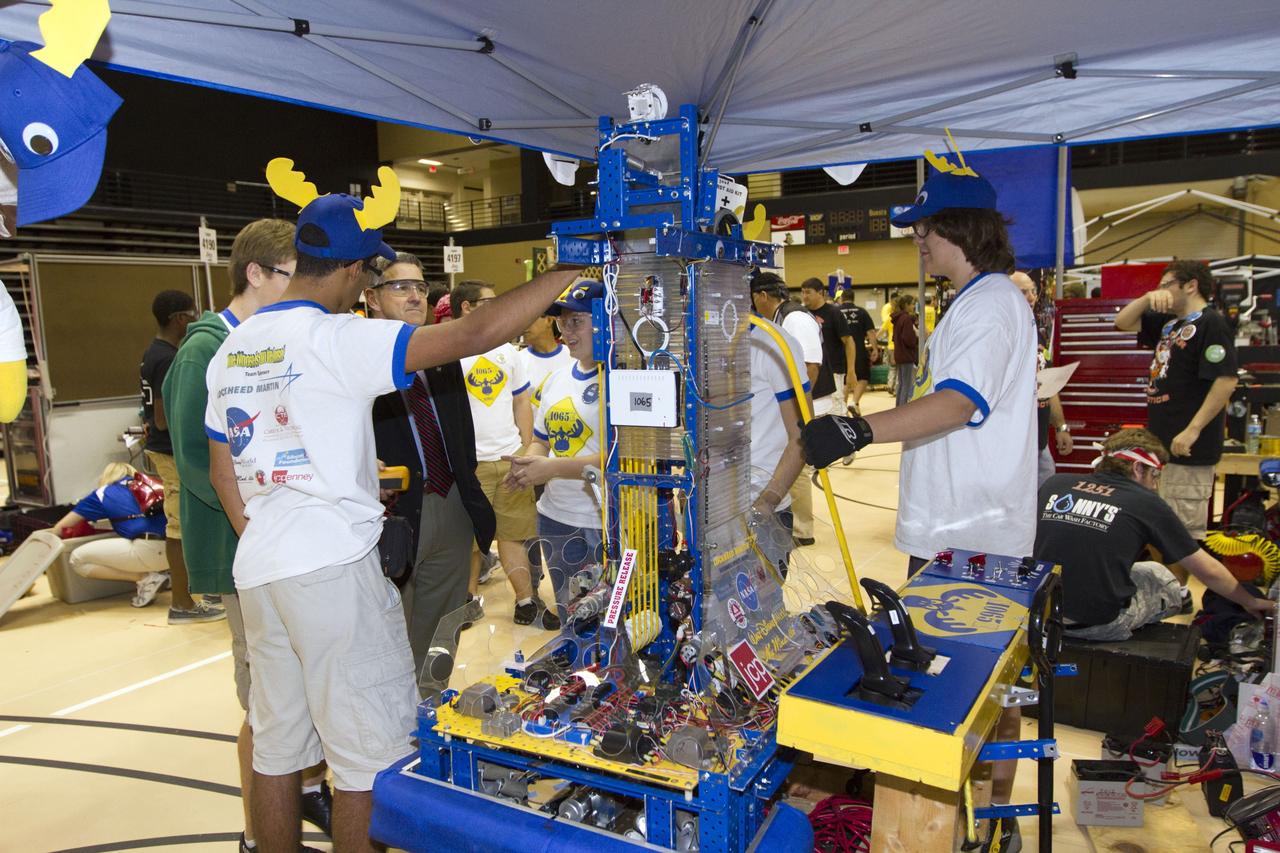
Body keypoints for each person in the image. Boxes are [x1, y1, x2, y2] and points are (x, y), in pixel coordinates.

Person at [205, 183, 579, 853]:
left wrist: (277, 530)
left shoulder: (237, 343)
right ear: (353, 270)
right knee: (369, 760)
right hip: (332, 568)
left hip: (261, 565)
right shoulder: (336, 337)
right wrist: (568, 268)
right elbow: (473, 333)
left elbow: (222, 470)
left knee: (277, 747)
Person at [798, 163, 1037, 847]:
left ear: (958, 228)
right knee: (974, 691)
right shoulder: (975, 300)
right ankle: (980, 819)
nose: (917, 241)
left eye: (923, 228)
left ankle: (982, 823)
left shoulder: (990, 304)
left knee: (972, 695)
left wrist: (859, 428)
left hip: (972, 537)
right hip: (956, 530)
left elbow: (959, 403)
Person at [163, 219, 331, 851]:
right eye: (294, 274)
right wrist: (257, 526)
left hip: (288, 548)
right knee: (265, 706)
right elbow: (195, 461)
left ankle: (302, 791)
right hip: (246, 553)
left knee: (296, 692)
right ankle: (260, 835)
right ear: (256, 274)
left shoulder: (278, 340)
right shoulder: (206, 350)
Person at [367, 254, 500, 681]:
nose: (415, 296)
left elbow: (461, 429)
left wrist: (466, 489)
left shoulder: (442, 353)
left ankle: (430, 705)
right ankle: (394, 715)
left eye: (421, 287)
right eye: (401, 287)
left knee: (443, 625)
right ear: (372, 297)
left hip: (451, 502)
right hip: (395, 511)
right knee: (391, 631)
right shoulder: (359, 358)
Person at [1035, 428, 1273, 640]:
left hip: (1038, 615)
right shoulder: (1146, 502)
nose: (1155, 486)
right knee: (1162, 577)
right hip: (1094, 625)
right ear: (1138, 468)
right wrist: (1250, 601)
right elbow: (1207, 570)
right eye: (1155, 475)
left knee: (1127, 569)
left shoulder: (1055, 483)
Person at [452, 279, 558, 628]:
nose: (498, 306)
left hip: (509, 457)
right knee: (470, 540)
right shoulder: (450, 349)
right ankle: (466, 602)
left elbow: (521, 401)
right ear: (466, 307)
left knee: (514, 534)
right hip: (472, 464)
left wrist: (526, 449)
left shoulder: (507, 351)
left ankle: (526, 600)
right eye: (489, 301)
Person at [1114, 260, 1238, 543]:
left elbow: (1226, 380)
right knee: (1160, 529)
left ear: (1191, 285)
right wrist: (1148, 297)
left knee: (1180, 535)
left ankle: (1178, 577)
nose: (1162, 291)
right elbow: (1122, 322)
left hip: (1188, 449)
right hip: (1161, 445)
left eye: (1166, 285)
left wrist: (1192, 430)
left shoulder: (1211, 323)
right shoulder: (1169, 323)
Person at [505, 281, 605, 619]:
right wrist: (528, 462)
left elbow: (619, 459)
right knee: (570, 615)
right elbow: (542, 440)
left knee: (607, 619)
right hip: (556, 517)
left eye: (577, 321)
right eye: (563, 322)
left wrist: (551, 468)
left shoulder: (620, 380)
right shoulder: (557, 380)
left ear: (603, 320)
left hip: (602, 520)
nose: (567, 332)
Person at [139, 289, 224, 624]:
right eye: (192, 313)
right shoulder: (170, 358)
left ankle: (205, 590)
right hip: (170, 450)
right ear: (178, 319)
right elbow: (163, 419)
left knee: (184, 522)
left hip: (162, 447)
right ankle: (182, 603)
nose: (195, 318)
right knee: (178, 526)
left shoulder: (153, 352)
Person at [750, 271, 824, 547]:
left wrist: (767, 501)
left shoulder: (774, 342)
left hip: (761, 505)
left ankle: (804, 530)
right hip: (709, 507)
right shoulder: (696, 346)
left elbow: (801, 435)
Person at [50, 462, 175, 608]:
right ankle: (168, 575)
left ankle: (145, 578)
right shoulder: (150, 486)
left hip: (148, 550)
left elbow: (61, 527)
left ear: (106, 477)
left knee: (77, 559)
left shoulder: (103, 493)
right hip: (176, 551)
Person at [1011, 271, 1073, 483]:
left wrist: (1061, 426)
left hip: (1039, 440)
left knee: (1046, 485)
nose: (1031, 297)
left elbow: (1047, 384)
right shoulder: (1002, 333)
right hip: (1013, 443)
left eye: (1033, 291)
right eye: (1023, 292)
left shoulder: (1037, 333)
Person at [799, 278, 855, 417]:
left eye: (808, 292)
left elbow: (849, 342)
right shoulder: (802, 314)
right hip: (811, 371)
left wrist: (851, 371)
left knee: (836, 411)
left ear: (820, 293)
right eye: (802, 292)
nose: (804, 296)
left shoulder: (834, 313)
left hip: (834, 371)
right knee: (814, 412)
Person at [519, 314, 573, 410]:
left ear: (549, 320)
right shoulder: (519, 361)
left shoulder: (573, 356)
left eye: (530, 319)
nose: (524, 326)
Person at [836, 290, 878, 415]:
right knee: (863, 377)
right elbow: (871, 332)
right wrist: (875, 349)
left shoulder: (836, 312)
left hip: (840, 351)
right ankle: (854, 402)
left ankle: (843, 407)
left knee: (844, 380)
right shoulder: (862, 312)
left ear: (842, 298)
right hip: (859, 350)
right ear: (853, 298)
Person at [889, 294, 918, 407]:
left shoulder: (898, 319)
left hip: (899, 354)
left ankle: (898, 407)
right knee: (906, 384)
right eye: (912, 304)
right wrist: (915, 340)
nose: (913, 306)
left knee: (901, 384)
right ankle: (902, 408)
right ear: (906, 305)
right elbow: (908, 339)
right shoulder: (906, 319)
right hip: (906, 355)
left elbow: (894, 338)